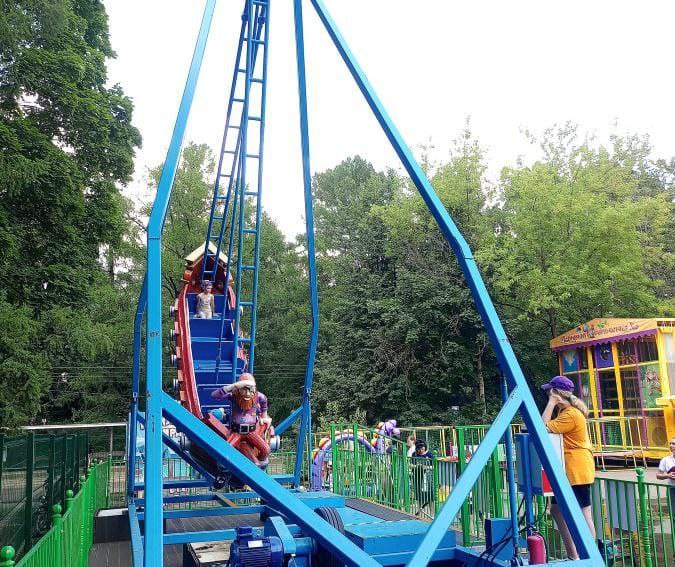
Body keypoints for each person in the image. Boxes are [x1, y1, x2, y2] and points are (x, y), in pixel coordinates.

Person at [541, 375, 596, 560]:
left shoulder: (570, 414)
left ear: (556, 392)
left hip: (576, 469)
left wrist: (551, 402)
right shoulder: (566, 412)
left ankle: (589, 556)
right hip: (571, 469)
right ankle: (575, 555)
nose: (548, 393)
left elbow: (542, 427)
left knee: (583, 513)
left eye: (550, 391)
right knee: (557, 510)